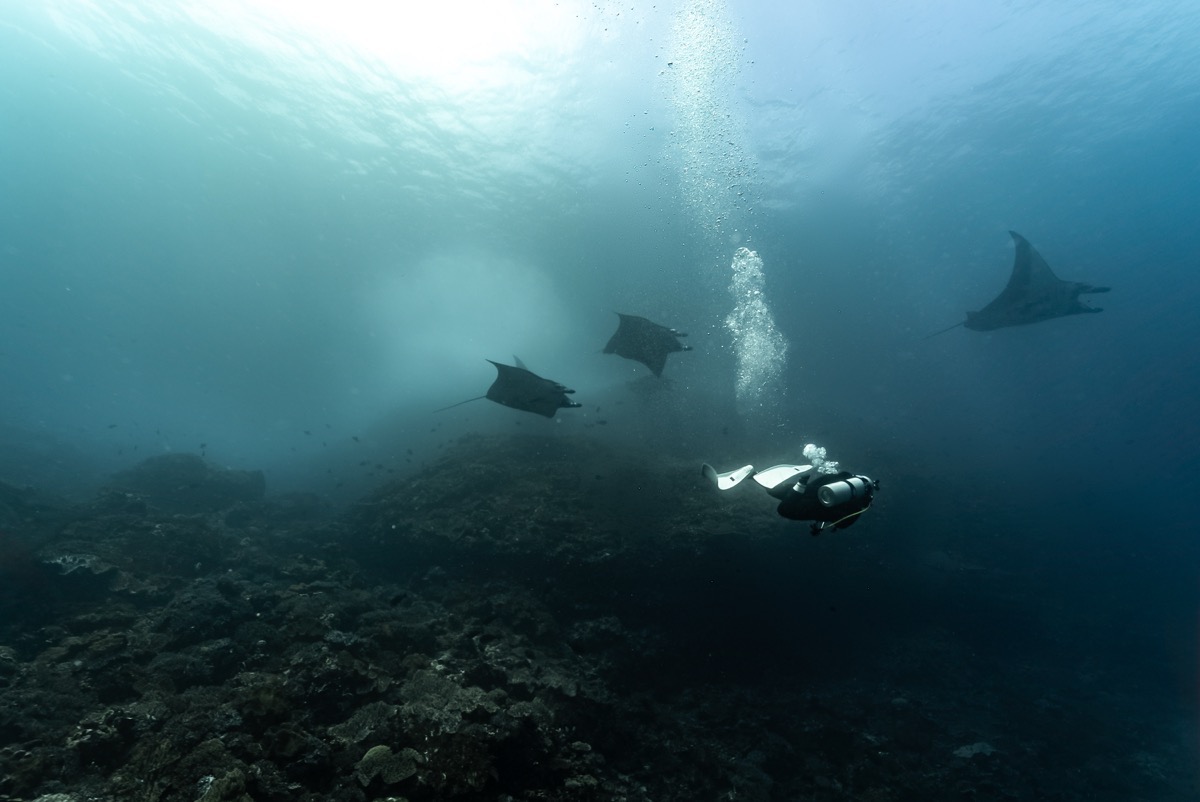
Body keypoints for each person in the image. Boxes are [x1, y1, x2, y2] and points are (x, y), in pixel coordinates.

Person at [701, 459, 880, 535]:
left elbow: (833, 479)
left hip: (813, 490)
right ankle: (800, 485)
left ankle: (752, 474)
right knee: (784, 510)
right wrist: (820, 528)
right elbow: (839, 522)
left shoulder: (848, 483)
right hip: (813, 506)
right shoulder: (859, 508)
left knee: (772, 490)